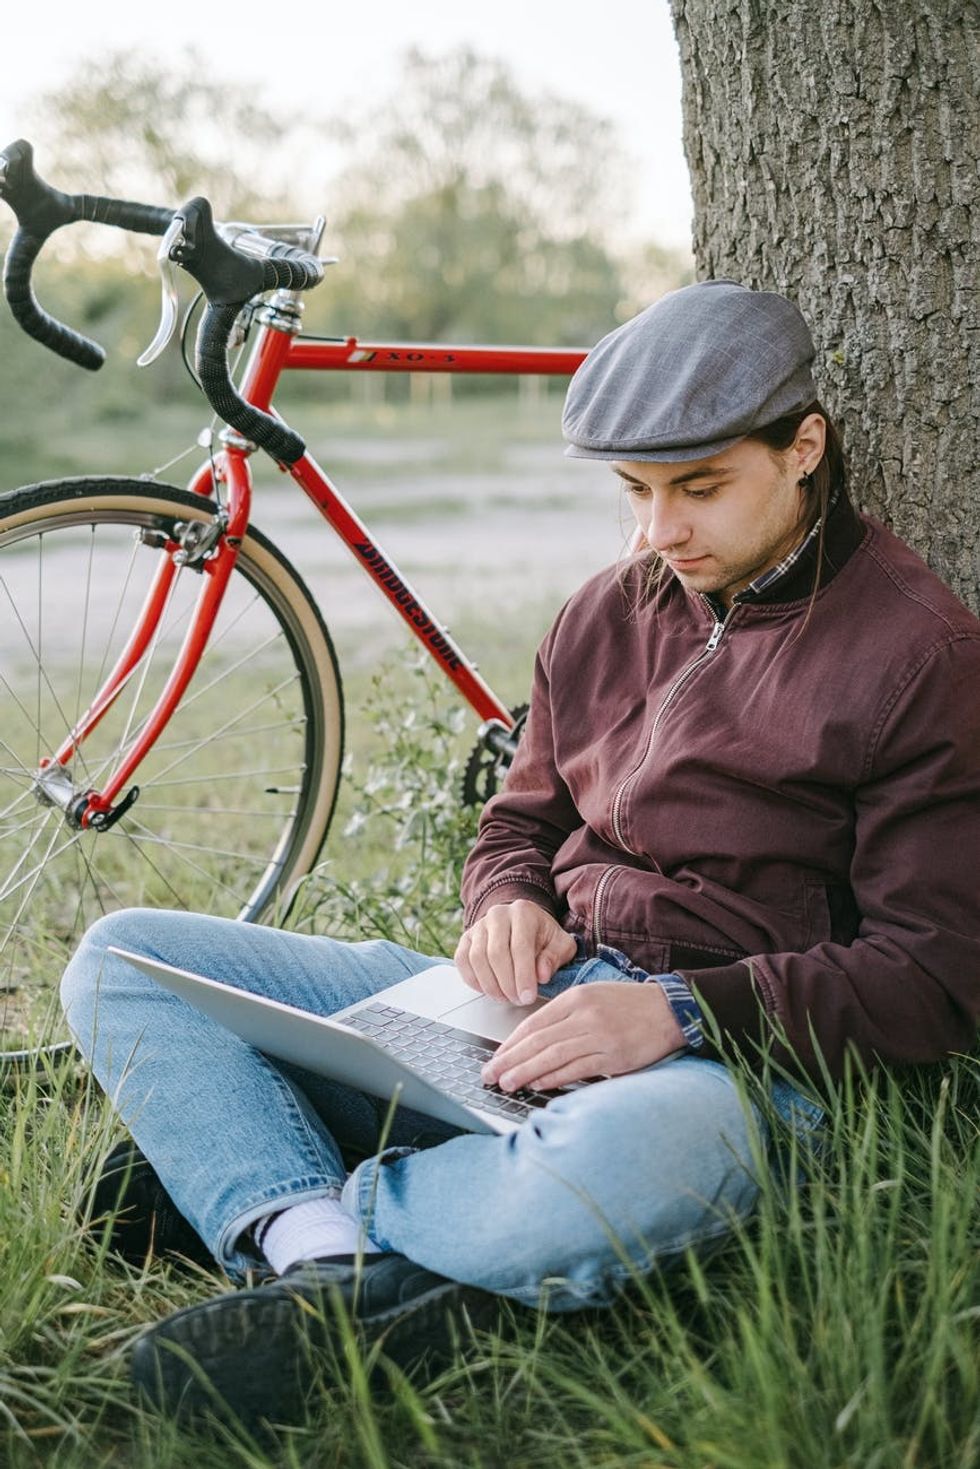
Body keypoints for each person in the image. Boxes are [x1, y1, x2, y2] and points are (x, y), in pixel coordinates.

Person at [61, 280, 980, 1429]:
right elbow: (518, 822)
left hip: (728, 1066)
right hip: (527, 1005)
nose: (658, 532)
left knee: (614, 1172)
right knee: (121, 957)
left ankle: (282, 1172)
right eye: (634, 492)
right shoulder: (603, 611)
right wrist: (504, 900)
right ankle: (332, 1254)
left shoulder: (916, 653)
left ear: (803, 448)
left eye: (698, 489)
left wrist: (681, 1014)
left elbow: (935, 969)